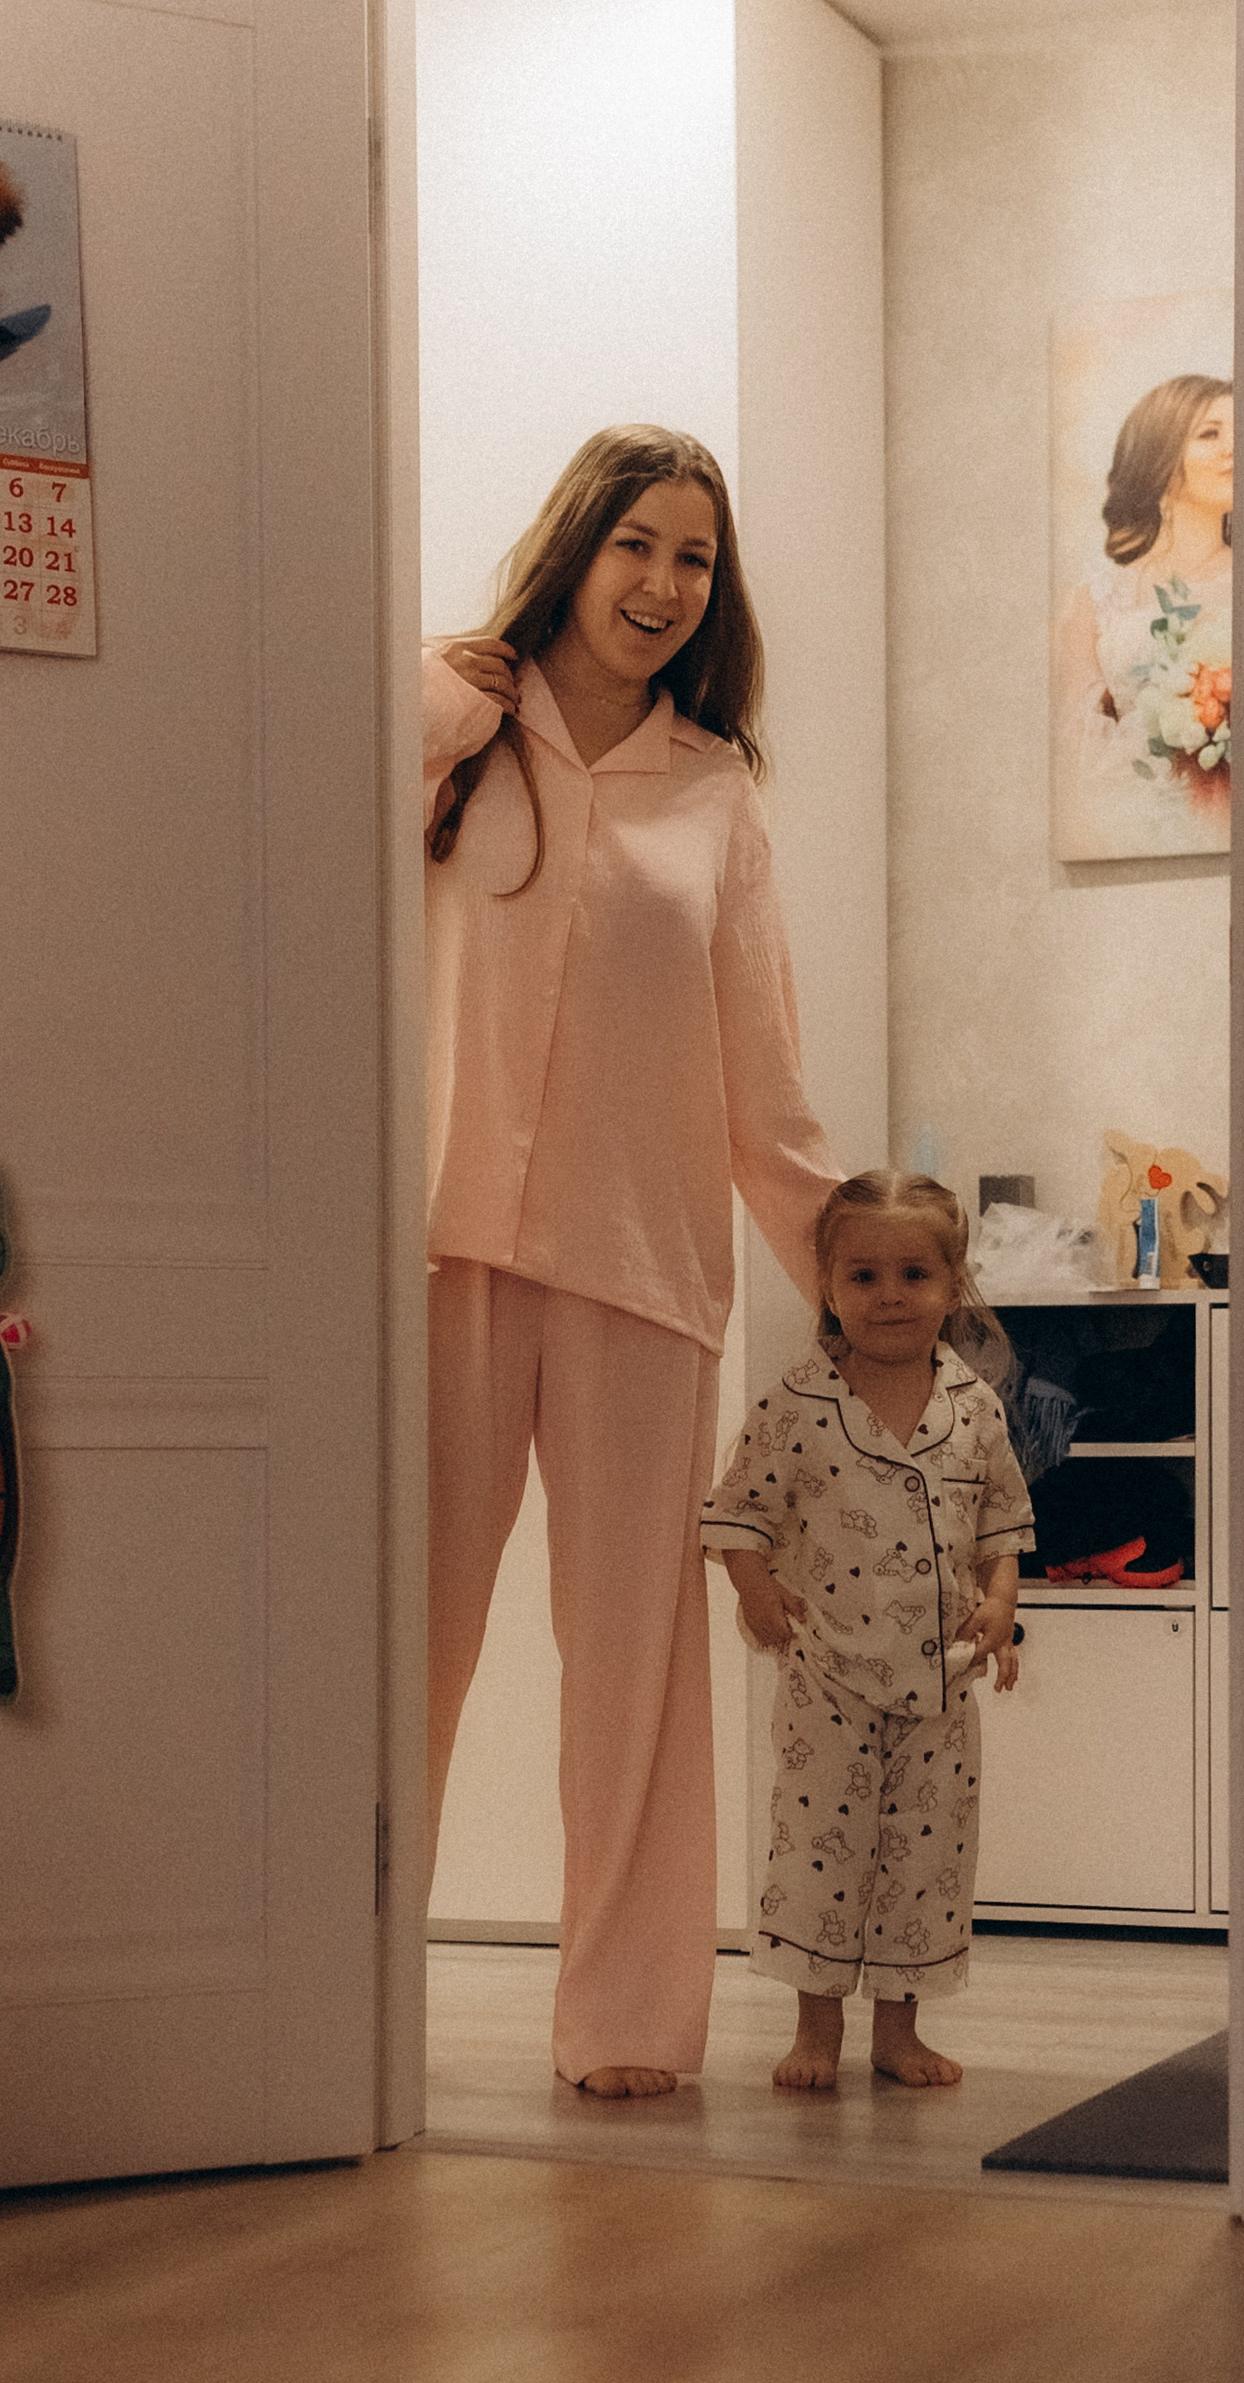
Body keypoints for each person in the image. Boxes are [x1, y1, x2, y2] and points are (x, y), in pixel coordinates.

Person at [423, 424, 840, 2101]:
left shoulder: (718, 792)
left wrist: (871, 1282)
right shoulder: (452, 732)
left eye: (695, 558)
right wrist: (434, 708)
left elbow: (763, 1075)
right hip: (444, 1253)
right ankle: (336, 1997)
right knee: (400, 1647)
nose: (665, 584)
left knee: (635, 1683)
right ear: (576, 545)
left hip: (643, 1271)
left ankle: (626, 2025)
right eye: (638, 545)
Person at [700, 1172, 1035, 2092]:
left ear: (953, 1284)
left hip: (942, 1684)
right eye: (864, 1276)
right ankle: (816, 2031)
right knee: (821, 1855)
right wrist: (755, 1588)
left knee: (927, 1859)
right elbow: (737, 1513)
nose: (890, 1295)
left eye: (915, 1274)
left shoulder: (974, 1407)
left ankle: (898, 2033)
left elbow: (1003, 1523)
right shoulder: (797, 1404)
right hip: (829, 1680)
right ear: (830, 1287)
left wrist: (1002, 1602)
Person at [1053, 374, 1234, 859]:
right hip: (1124, 830)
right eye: (1210, 433)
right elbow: (1072, 743)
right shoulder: (1094, 599)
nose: (1234, 450)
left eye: (1243, 434)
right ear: (1161, 455)